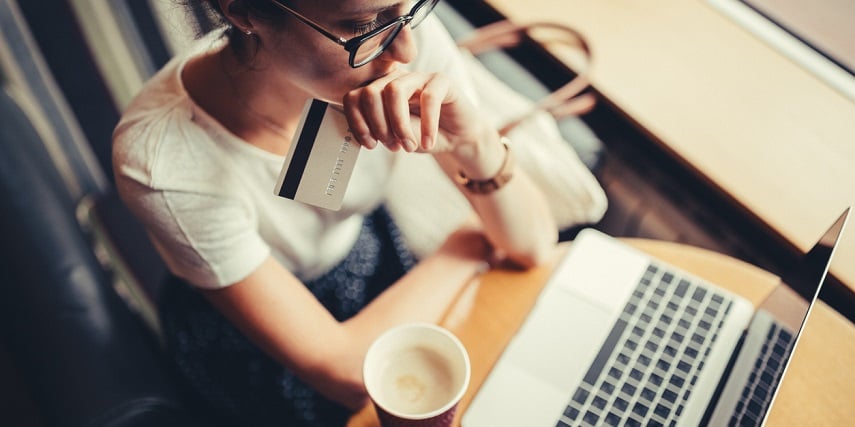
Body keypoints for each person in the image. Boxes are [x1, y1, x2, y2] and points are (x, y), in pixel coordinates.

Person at [112, 0, 600, 425]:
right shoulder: (162, 162)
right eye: (363, 24)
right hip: (255, 338)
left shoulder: (401, 39)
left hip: (367, 255)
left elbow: (534, 244)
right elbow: (349, 374)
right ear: (244, 12)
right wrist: (466, 244)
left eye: (408, 9)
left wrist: (474, 143)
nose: (406, 49)